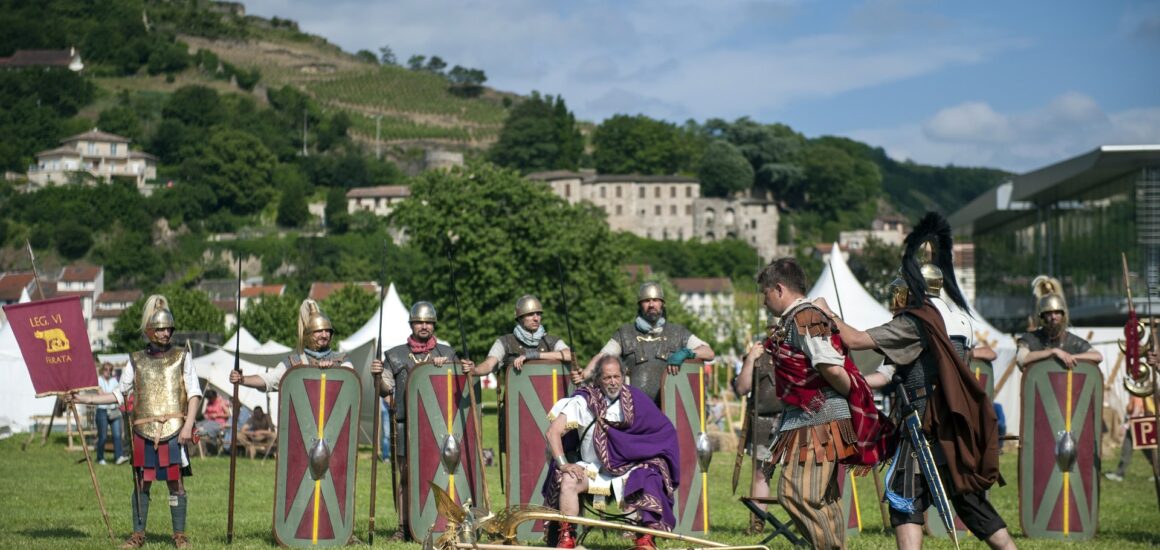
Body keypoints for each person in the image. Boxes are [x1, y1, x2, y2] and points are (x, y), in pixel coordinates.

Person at [814, 212, 1016, 550]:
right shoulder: (961, 321)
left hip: (922, 425)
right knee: (969, 500)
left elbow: (853, 339)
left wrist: (827, 312)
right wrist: (859, 381)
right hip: (956, 424)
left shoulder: (915, 322)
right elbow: (893, 371)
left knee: (904, 501)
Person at [757, 258, 886, 550]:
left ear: (779, 289)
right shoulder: (796, 319)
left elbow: (830, 365)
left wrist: (849, 394)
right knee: (823, 497)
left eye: (765, 293)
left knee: (796, 493)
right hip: (809, 419)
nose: (764, 302)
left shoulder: (806, 317)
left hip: (821, 418)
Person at [69, 295, 202, 549]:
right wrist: (83, 398)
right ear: (151, 330)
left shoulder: (182, 356)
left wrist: (188, 425)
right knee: (142, 482)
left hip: (174, 429)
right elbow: (120, 393)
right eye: (160, 328)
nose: (165, 333)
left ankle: (179, 535)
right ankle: (138, 534)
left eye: (168, 328)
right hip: (143, 429)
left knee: (175, 481)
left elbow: (194, 393)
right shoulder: (136, 359)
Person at [544, 355, 679, 550]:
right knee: (568, 479)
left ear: (623, 376)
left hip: (628, 471)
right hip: (592, 471)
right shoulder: (583, 400)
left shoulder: (636, 400)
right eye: (607, 378)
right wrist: (564, 463)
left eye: (617, 376)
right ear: (598, 379)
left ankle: (645, 539)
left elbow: (662, 431)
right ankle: (567, 538)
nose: (613, 382)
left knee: (651, 474)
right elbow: (553, 432)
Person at [369, 301, 474, 541]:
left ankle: (443, 522)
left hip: (440, 429)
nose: (424, 326)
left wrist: (453, 367)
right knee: (406, 477)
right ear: (412, 324)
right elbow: (385, 390)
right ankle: (403, 526)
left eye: (428, 322)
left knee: (441, 475)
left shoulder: (446, 353)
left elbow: (460, 385)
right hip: (406, 427)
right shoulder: (395, 355)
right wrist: (376, 377)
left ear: (433, 324)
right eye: (419, 322)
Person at [464, 295, 572, 466]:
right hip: (517, 412)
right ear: (520, 318)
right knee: (519, 462)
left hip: (548, 411)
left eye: (538, 314)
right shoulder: (506, 343)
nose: (536, 318)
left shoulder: (551, 341)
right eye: (530, 314)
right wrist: (475, 370)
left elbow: (568, 355)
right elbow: (490, 363)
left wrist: (534, 355)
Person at [576, 282, 714, 403]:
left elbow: (708, 353)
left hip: (669, 409)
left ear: (662, 304)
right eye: (647, 300)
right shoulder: (625, 333)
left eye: (655, 300)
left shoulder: (678, 332)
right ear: (640, 305)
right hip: (635, 409)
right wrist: (584, 374)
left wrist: (687, 353)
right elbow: (603, 356)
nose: (651, 304)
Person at [230, 299, 353, 391]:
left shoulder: (341, 360)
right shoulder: (293, 363)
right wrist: (242, 379)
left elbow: (352, 381)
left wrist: (334, 371)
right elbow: (269, 379)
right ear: (308, 334)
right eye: (319, 331)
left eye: (327, 331)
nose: (324, 335)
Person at [732, 324, 783, 535]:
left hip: (792, 420)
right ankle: (758, 522)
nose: (777, 333)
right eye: (774, 329)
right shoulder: (758, 355)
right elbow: (742, 388)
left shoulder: (799, 353)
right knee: (762, 475)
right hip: (763, 421)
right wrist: (751, 359)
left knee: (798, 475)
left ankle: (805, 521)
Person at [1015, 275, 1102, 371]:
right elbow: (1021, 358)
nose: (1053, 317)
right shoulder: (1031, 339)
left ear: (1063, 315)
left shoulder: (1072, 341)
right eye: (1049, 313)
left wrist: (1070, 357)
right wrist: (1053, 352)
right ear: (1042, 316)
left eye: (1057, 313)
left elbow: (1097, 356)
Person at [94, 363, 128, 465]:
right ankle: (100, 458)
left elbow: (117, 393)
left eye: (110, 369)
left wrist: (112, 395)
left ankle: (118, 457)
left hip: (114, 410)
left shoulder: (114, 381)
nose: (108, 371)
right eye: (106, 369)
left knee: (117, 435)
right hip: (102, 410)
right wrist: (113, 395)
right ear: (102, 370)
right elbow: (101, 394)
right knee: (103, 436)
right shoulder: (98, 380)